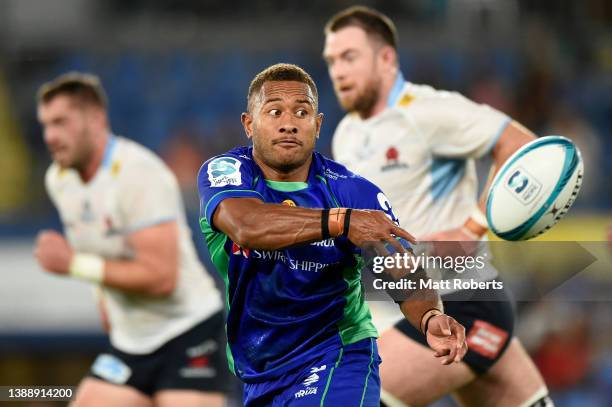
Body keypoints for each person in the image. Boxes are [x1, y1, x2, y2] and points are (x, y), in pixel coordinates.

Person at [196, 63, 467, 406]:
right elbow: (246, 226)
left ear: (318, 124)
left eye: (302, 112)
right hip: (259, 373)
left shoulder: (354, 192)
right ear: (249, 125)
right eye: (274, 111)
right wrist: (340, 222)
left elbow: (401, 269)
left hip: (336, 356)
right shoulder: (227, 173)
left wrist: (430, 316)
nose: (289, 122)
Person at [323, 6, 552, 407]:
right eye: (331, 61)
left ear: (386, 59)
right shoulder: (347, 134)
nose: (338, 70)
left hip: (463, 302)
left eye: (349, 57)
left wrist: (472, 228)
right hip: (407, 308)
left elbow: (522, 146)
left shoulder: (427, 110)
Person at [34, 72, 230, 407]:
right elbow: (95, 243)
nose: (50, 136)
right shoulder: (59, 179)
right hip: (131, 343)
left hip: (188, 331)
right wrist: (105, 302)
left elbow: (162, 278)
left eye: (61, 122)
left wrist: (73, 265)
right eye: (46, 125)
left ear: (96, 119)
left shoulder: (139, 174)